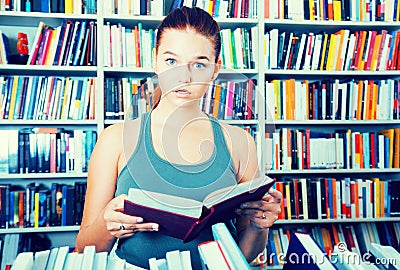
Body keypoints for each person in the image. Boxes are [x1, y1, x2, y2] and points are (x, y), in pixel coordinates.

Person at [76, 6, 282, 269]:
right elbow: (84, 248)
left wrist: (258, 225)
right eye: (171, 61)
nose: (183, 77)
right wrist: (107, 224)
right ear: (155, 60)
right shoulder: (115, 139)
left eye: (199, 64)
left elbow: (245, 253)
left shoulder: (240, 143)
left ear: (215, 70)